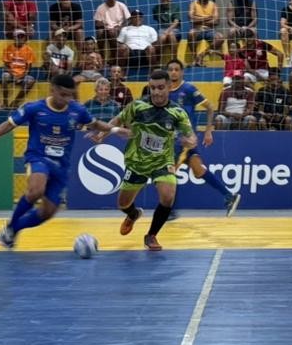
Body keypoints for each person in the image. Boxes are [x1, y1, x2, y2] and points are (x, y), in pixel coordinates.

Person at [0, 73, 115, 249]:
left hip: (62, 166)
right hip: (39, 157)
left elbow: (95, 124)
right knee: (36, 190)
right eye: (63, 94)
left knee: (47, 212)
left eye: (70, 95)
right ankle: (10, 227)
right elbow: (8, 124)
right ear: (53, 90)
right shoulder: (34, 108)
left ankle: (13, 230)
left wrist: (116, 129)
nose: (66, 99)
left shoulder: (77, 110)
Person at [88, 69, 196, 251]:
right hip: (137, 161)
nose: (156, 92)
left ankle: (151, 235)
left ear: (169, 87)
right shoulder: (138, 106)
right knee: (123, 204)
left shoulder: (177, 112)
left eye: (160, 87)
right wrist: (102, 134)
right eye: (152, 88)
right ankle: (133, 214)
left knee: (168, 196)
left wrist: (190, 141)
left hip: (162, 161)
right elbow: (117, 120)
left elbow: (191, 136)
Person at [156, 59, 241, 215]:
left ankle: (168, 211)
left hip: (184, 140)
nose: (173, 72)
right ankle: (229, 196)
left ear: (182, 72)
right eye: (170, 69)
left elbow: (210, 108)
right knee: (198, 170)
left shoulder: (189, 89)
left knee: (168, 174)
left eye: (176, 69)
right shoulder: (164, 92)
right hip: (173, 139)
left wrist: (208, 131)